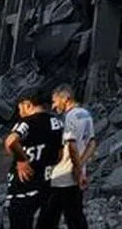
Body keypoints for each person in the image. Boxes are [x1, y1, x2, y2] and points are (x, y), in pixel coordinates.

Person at [4, 88, 64, 229]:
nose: (19, 111)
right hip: (47, 186)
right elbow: (61, 153)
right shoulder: (56, 123)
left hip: (22, 187)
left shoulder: (26, 122)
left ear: (28, 105)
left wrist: (21, 160)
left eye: (20, 106)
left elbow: (11, 141)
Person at [39, 84, 96, 229]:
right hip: (74, 176)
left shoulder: (69, 116)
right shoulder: (85, 114)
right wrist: (81, 167)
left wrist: (76, 169)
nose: (53, 106)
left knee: (49, 217)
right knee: (74, 216)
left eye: (55, 101)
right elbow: (92, 143)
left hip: (62, 176)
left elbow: (71, 146)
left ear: (66, 98)